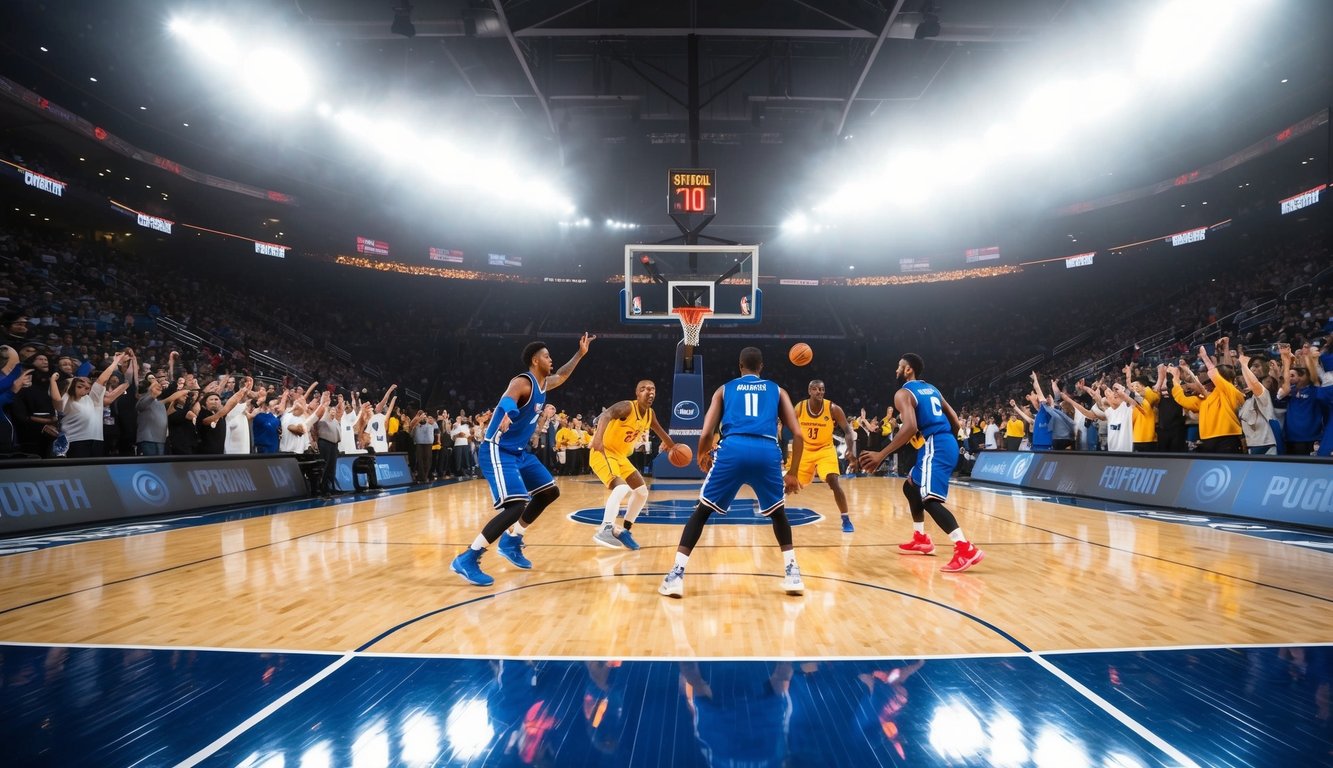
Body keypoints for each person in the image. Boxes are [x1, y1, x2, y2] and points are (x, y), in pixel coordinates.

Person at [659, 346, 805, 599]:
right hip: (767, 450)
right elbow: (799, 434)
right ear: (761, 367)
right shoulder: (778, 390)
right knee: (778, 513)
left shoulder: (724, 389)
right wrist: (792, 472)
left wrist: (702, 455)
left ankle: (676, 575)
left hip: (733, 449)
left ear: (740, 366)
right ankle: (792, 573)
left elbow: (706, 433)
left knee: (702, 511)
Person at [451, 334, 595, 586]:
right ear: (534, 360)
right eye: (547, 356)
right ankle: (469, 557)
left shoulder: (544, 384)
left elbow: (561, 375)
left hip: (520, 453)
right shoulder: (523, 381)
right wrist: (508, 412)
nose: (551, 360)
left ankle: (512, 540)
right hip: (498, 449)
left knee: (549, 492)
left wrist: (580, 355)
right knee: (516, 506)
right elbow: (508, 397)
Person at [857, 353, 984, 574]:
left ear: (908, 370)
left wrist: (881, 454)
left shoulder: (903, 393)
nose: (896, 370)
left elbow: (910, 428)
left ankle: (965, 549)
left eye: (899, 367)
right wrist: (950, 442)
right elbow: (954, 417)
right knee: (910, 486)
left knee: (929, 500)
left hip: (935, 444)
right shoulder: (932, 389)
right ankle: (921, 538)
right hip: (942, 442)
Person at [589, 380, 679, 551]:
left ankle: (624, 530)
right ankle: (606, 528)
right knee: (622, 488)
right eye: (643, 389)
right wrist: (598, 440)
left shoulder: (650, 414)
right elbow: (606, 414)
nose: (648, 391)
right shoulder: (627, 407)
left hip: (620, 457)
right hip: (603, 452)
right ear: (637, 393)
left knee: (642, 492)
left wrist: (674, 447)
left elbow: (661, 432)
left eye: (652, 389)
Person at [792, 379, 857, 533]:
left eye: (821, 389)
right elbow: (792, 427)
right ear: (809, 391)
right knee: (792, 484)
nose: (819, 392)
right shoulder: (800, 407)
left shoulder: (833, 408)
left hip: (825, 449)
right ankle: (772, 508)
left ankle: (846, 519)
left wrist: (850, 451)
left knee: (833, 481)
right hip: (806, 449)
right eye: (815, 389)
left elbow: (848, 431)